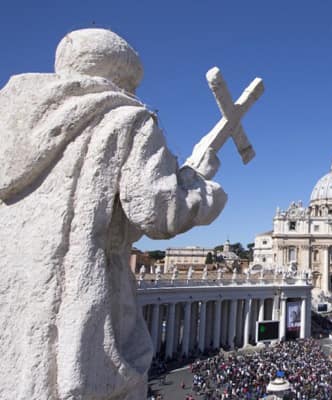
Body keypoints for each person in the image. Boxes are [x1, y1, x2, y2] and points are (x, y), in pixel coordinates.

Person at [0, 28, 227, 399]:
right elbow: (159, 212)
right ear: (124, 76)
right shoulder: (126, 118)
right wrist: (201, 184)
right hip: (79, 291)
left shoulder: (9, 122)